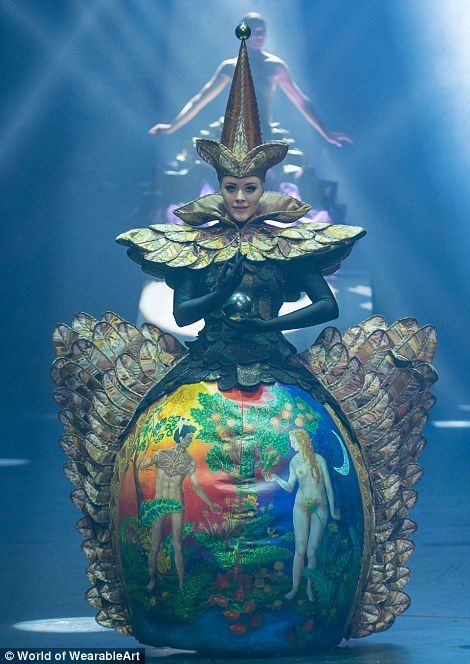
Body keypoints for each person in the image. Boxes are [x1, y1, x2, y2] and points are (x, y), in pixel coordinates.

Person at [53, 23, 437, 652]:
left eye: (248, 187)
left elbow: (327, 302)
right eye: (230, 187)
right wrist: (219, 285)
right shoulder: (197, 244)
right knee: (148, 456)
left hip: (274, 361)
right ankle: (172, 600)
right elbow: (186, 307)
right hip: (208, 355)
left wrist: (271, 323)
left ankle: (308, 602)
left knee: (328, 464)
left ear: (264, 187)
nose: (237, 197)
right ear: (220, 187)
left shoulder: (286, 243)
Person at [148, 12, 351, 148]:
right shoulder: (229, 67)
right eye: (254, 32)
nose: (259, 36)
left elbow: (301, 102)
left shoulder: (275, 66)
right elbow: (200, 99)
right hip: (233, 137)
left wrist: (326, 133)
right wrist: (171, 126)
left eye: (263, 32)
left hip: (264, 135)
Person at [138, 421, 221, 591]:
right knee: (155, 544)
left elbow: (196, 486)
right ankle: (152, 580)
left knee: (177, 544)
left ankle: (182, 585)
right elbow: (142, 465)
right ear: (180, 437)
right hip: (159, 503)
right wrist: (144, 460)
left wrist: (211, 504)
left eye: (191, 439)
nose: (189, 442)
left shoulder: (189, 462)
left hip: (176, 503)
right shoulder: (161, 454)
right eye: (188, 438)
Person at [267, 428, 340, 601]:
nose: (291, 444)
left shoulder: (318, 460)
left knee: (311, 551)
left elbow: (329, 486)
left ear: (302, 441)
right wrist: (277, 479)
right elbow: (291, 486)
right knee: (299, 550)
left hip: (319, 506)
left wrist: (332, 511)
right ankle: (294, 588)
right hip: (300, 506)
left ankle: (309, 588)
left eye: (292, 441)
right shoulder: (294, 461)